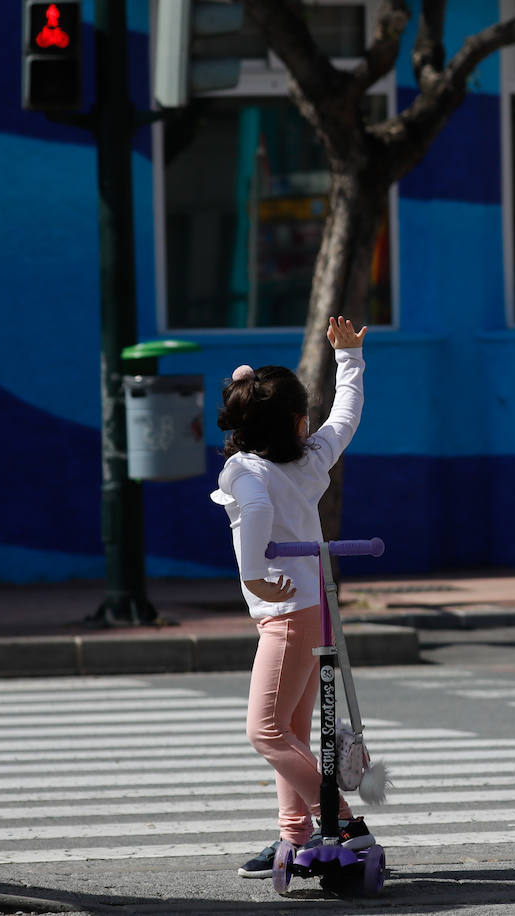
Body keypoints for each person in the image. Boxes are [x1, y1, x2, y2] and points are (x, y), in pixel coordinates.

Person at [210, 316, 375, 879]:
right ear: (299, 423)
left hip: (283, 613)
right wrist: (348, 357)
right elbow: (346, 418)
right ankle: (293, 836)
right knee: (292, 732)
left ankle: (346, 824)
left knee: (267, 732)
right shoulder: (310, 459)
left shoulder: (242, 470)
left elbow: (255, 512)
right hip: (312, 609)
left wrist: (255, 571)